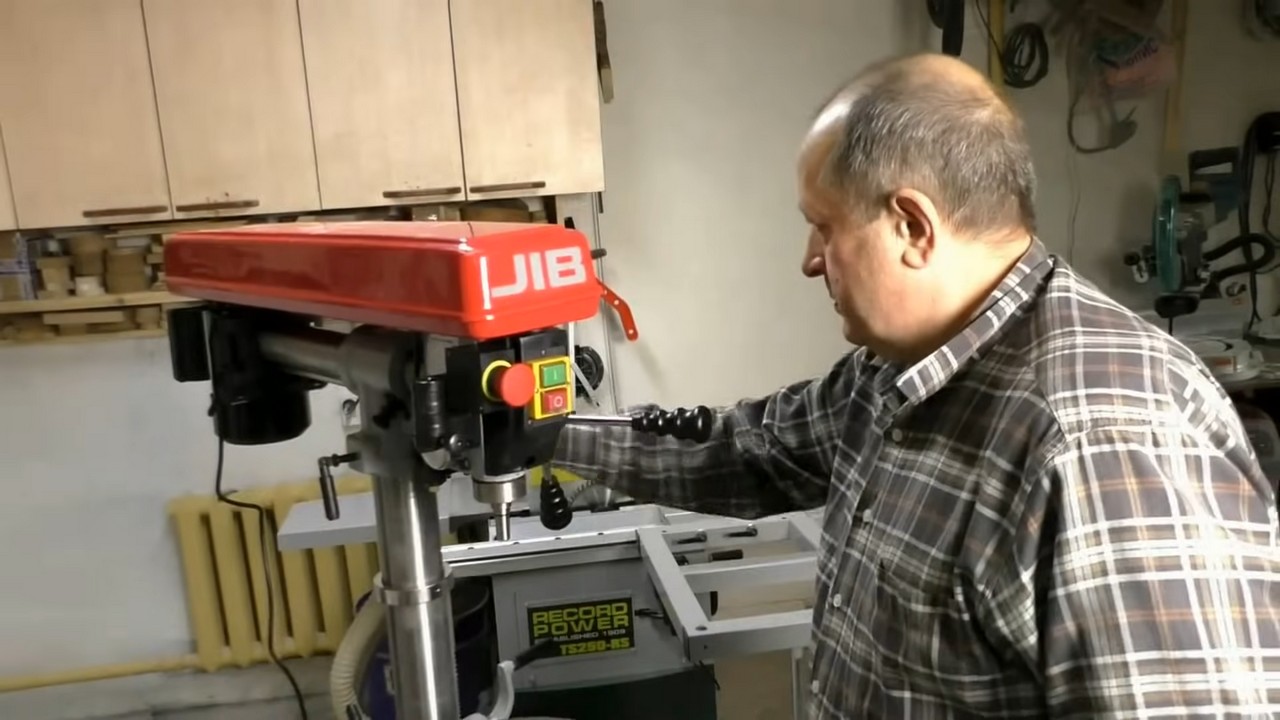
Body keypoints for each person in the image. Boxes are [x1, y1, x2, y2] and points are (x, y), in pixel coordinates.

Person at [553, 52, 1280, 717]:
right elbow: (748, 451)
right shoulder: (896, 371)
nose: (810, 260)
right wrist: (540, 433)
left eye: (823, 227)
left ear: (911, 226)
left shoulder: (1102, 442)